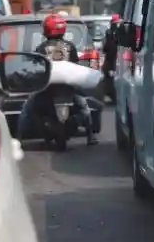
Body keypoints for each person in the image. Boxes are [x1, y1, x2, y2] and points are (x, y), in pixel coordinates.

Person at [18, 14, 98, 145]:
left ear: (47, 29)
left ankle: (18, 139)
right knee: (84, 106)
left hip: (48, 85)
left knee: (27, 107)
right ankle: (91, 136)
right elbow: (75, 64)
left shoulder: (42, 47)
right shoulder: (70, 46)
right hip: (67, 86)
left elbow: (37, 66)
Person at [101, 14, 121, 101]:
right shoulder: (110, 34)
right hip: (112, 60)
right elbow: (106, 48)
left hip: (116, 60)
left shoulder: (118, 34)